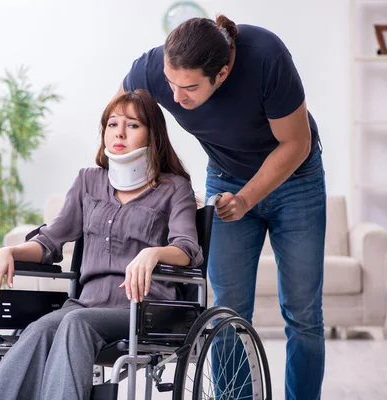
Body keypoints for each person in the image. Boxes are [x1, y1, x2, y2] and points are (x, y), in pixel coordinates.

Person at [119, 15, 326, 400]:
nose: (177, 98)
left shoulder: (266, 55)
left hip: (298, 181)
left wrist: (247, 198)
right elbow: (122, 125)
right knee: (227, 313)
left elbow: (295, 144)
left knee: (303, 315)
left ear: (223, 72)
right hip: (226, 180)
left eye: (190, 87)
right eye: (170, 82)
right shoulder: (150, 69)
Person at [0, 89, 204, 400]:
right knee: (38, 330)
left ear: (153, 136)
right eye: (112, 124)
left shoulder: (173, 188)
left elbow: (187, 249)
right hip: (86, 304)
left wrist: (153, 253)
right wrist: (9, 251)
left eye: (133, 125)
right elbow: (51, 240)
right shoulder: (88, 181)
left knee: (74, 324)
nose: (120, 133)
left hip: (143, 308)